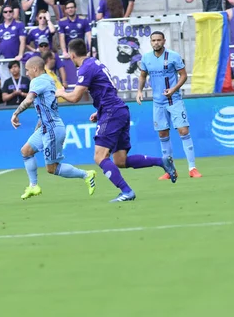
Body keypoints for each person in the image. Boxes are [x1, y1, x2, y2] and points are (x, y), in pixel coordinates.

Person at [55, 39, 178, 202]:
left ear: (71, 55)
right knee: (120, 160)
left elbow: (76, 96)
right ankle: (162, 161)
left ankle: (127, 191)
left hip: (111, 111)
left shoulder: (85, 67)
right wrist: (99, 112)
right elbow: (111, 89)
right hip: (118, 109)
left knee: (99, 157)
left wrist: (60, 93)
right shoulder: (95, 62)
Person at [11, 56, 96, 200]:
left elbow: (29, 99)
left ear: (35, 69)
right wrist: (38, 127)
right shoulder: (49, 79)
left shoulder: (37, 81)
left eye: (27, 70)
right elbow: (44, 106)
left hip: (52, 129)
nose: (26, 73)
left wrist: (15, 113)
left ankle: (86, 175)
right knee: (26, 151)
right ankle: (33, 186)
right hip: (45, 126)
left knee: (52, 168)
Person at [136, 31, 202, 179]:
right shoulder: (146, 58)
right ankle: (170, 170)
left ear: (164, 41)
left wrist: (173, 89)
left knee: (183, 131)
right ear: (150, 42)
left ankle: (192, 168)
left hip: (174, 100)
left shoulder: (173, 56)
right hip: (158, 103)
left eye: (158, 40)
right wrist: (139, 91)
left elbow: (183, 75)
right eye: (153, 40)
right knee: (162, 134)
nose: (156, 43)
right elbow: (142, 75)